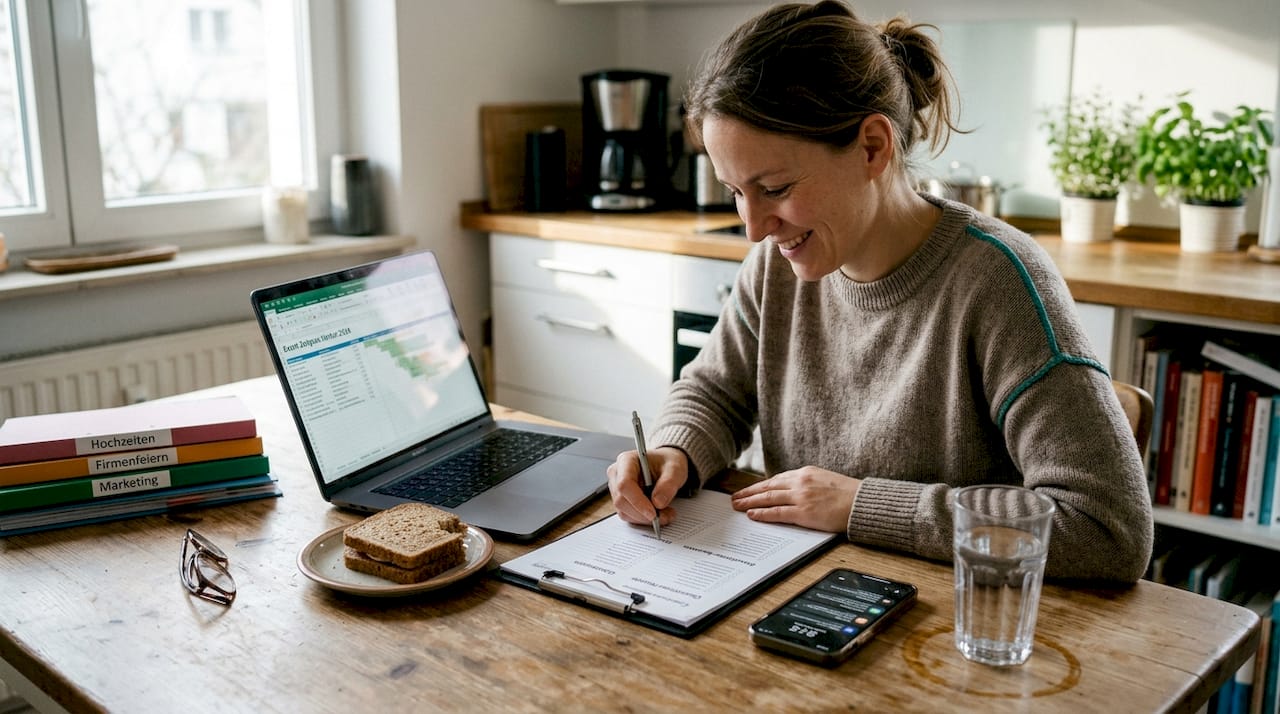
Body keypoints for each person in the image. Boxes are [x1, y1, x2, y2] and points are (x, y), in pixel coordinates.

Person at [606, 0, 1153, 583]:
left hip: (951, 625)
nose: (754, 226)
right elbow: (717, 392)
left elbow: (1106, 529)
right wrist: (674, 452)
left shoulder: (1000, 283)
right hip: (808, 596)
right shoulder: (776, 264)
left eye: (774, 187)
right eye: (736, 191)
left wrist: (861, 505)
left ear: (872, 146)